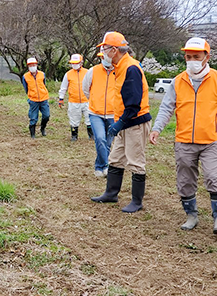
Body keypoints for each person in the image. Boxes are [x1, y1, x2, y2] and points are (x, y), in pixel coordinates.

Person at [150, 37, 217, 233]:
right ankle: (191, 215)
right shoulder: (178, 81)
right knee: (185, 180)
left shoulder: (215, 79)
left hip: (211, 140)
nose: (192, 60)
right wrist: (157, 128)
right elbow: (166, 108)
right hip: (184, 140)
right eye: (188, 57)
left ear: (207, 57)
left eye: (196, 56)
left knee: (214, 177)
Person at [91, 32, 152, 213]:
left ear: (114, 50)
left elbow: (134, 104)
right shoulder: (120, 66)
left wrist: (119, 123)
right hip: (124, 122)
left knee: (135, 161)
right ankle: (111, 193)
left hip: (134, 122)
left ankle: (137, 201)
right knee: (115, 159)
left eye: (104, 48)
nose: (103, 52)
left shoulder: (130, 68)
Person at [82, 52, 115, 178]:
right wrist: (94, 100)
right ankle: (106, 166)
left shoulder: (118, 71)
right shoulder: (93, 71)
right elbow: (85, 88)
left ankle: (99, 166)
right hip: (95, 113)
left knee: (107, 142)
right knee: (100, 139)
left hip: (113, 114)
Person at [59, 54, 93, 141]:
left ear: (81, 63)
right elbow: (63, 87)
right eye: (72, 63)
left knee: (89, 118)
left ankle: (91, 135)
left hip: (87, 100)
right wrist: (61, 98)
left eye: (76, 63)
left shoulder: (88, 72)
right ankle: (74, 136)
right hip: (73, 101)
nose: (74, 65)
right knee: (74, 119)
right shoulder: (68, 74)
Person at [22, 57, 50, 138]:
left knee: (46, 116)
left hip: (44, 99)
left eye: (34, 65)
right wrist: (31, 95)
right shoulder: (25, 76)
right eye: (30, 65)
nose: (32, 66)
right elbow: (26, 88)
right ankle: (32, 134)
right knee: (33, 118)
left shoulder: (42, 74)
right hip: (33, 100)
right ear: (28, 67)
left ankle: (43, 128)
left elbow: (44, 84)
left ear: (36, 65)